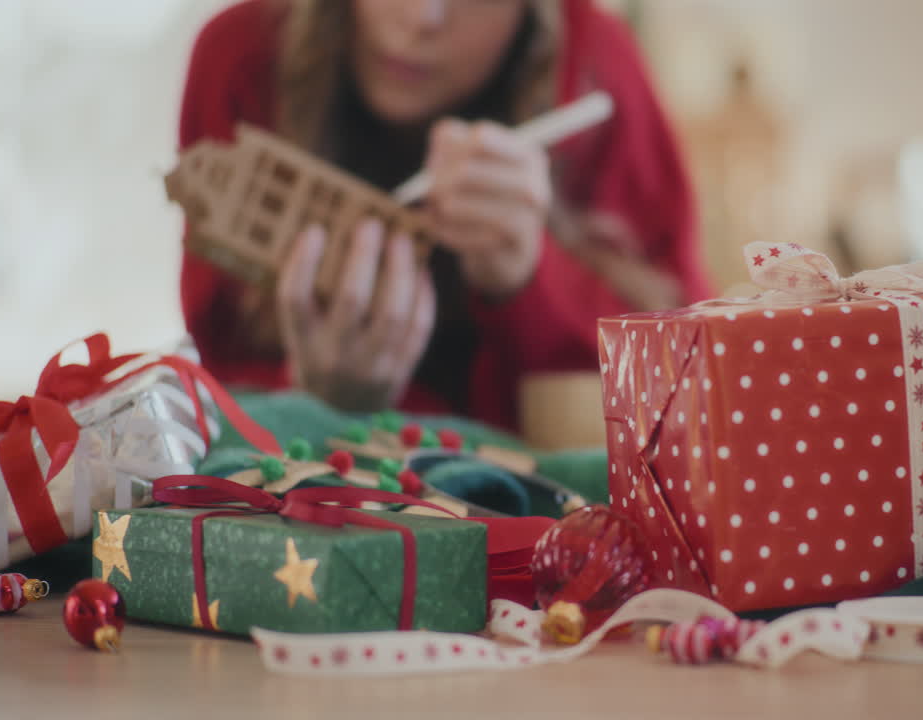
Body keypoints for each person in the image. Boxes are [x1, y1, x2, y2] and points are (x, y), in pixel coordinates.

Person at [178, 0, 712, 432]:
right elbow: (218, 369)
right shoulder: (242, 58)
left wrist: (528, 280)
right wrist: (314, 399)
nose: (420, 18)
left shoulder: (599, 68)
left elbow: (686, 379)